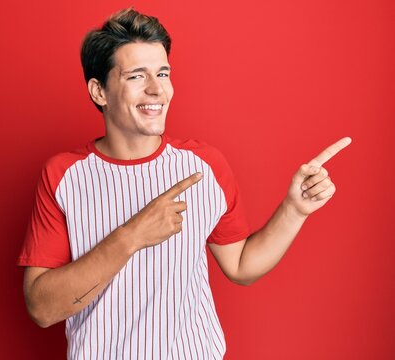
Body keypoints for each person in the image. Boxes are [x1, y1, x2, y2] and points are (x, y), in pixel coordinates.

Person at [17, 8, 351, 359]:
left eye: (163, 73)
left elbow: (241, 267)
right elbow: (42, 309)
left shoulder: (204, 165)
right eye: (136, 76)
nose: (156, 89)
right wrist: (132, 236)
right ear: (99, 91)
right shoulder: (64, 175)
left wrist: (294, 210)